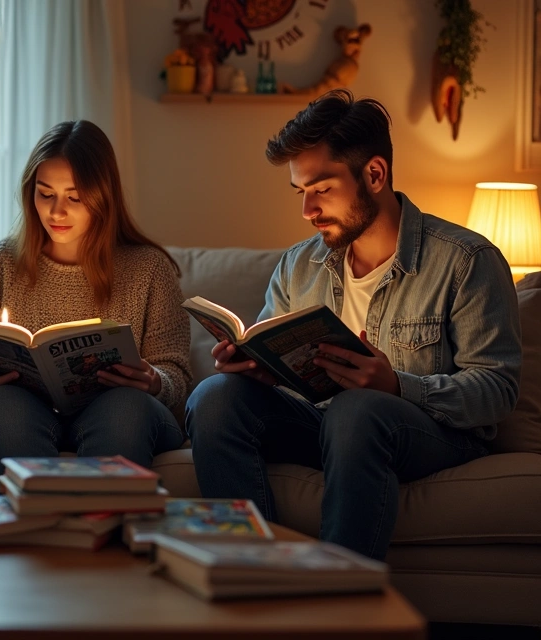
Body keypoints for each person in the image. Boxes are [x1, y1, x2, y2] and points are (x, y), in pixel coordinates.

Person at [185, 89, 521, 561]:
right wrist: (259, 369)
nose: (307, 211)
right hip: (324, 424)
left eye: (321, 189)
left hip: (428, 433)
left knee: (357, 410)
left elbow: (497, 391)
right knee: (213, 397)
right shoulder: (298, 266)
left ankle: (339, 601)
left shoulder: (467, 260)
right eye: (301, 192)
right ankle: (253, 571)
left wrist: (399, 387)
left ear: (375, 174)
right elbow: (274, 357)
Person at [0, 120, 192, 495]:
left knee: (125, 410)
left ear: (103, 196)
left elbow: (177, 374)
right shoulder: (5, 261)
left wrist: (155, 380)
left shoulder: (148, 268)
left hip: (118, 409)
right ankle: (23, 543)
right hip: (20, 409)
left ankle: (104, 540)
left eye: (74, 198)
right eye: (45, 194)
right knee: (2, 408)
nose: (56, 212)